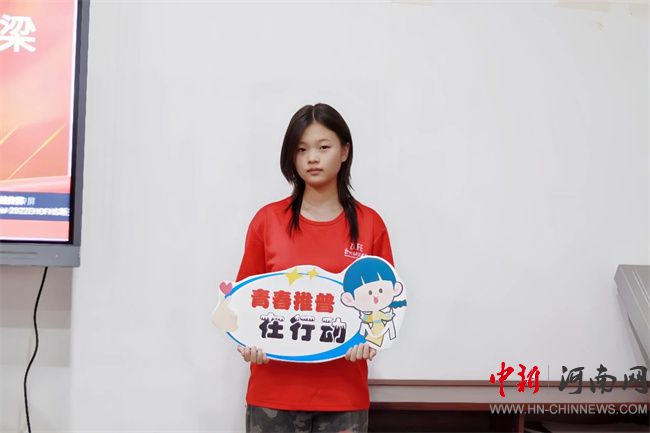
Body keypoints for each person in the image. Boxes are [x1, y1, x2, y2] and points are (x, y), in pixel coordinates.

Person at [235, 103, 395, 433]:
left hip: (343, 396)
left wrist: (371, 339)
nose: (312, 158)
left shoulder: (370, 225)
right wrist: (245, 341)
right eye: (301, 149)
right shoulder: (267, 221)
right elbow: (239, 306)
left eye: (323, 147)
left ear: (344, 151)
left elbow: (385, 308)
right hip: (273, 394)